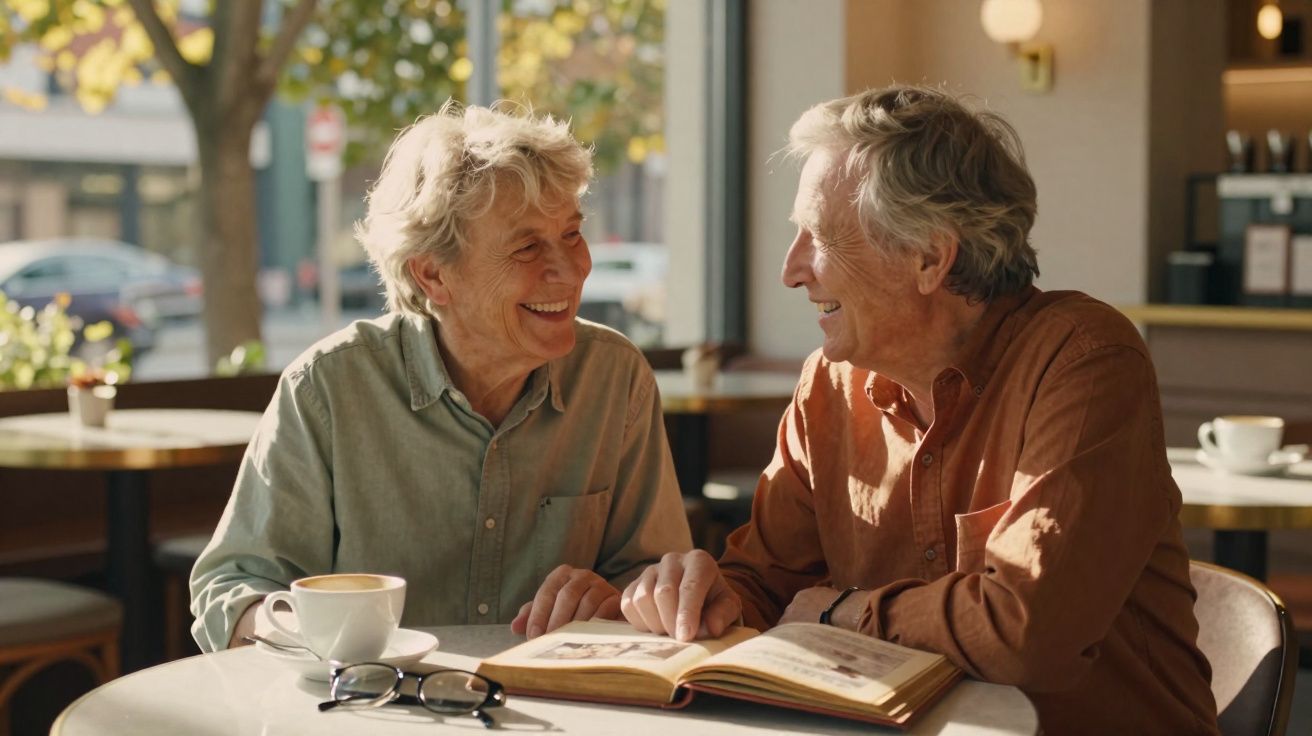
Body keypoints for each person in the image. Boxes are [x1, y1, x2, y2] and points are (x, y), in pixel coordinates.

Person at [617, 86, 1219, 734]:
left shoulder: (1084, 359)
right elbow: (766, 586)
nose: (791, 271)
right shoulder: (828, 383)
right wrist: (700, 597)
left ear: (930, 255)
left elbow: (1026, 629)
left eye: (817, 237)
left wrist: (842, 612)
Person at [190, 103, 691, 652]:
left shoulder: (615, 378)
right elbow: (233, 587)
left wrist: (619, 598)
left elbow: (654, 575)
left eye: (571, 234)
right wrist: (309, 631)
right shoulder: (329, 388)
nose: (571, 270)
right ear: (432, 275)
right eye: (527, 247)